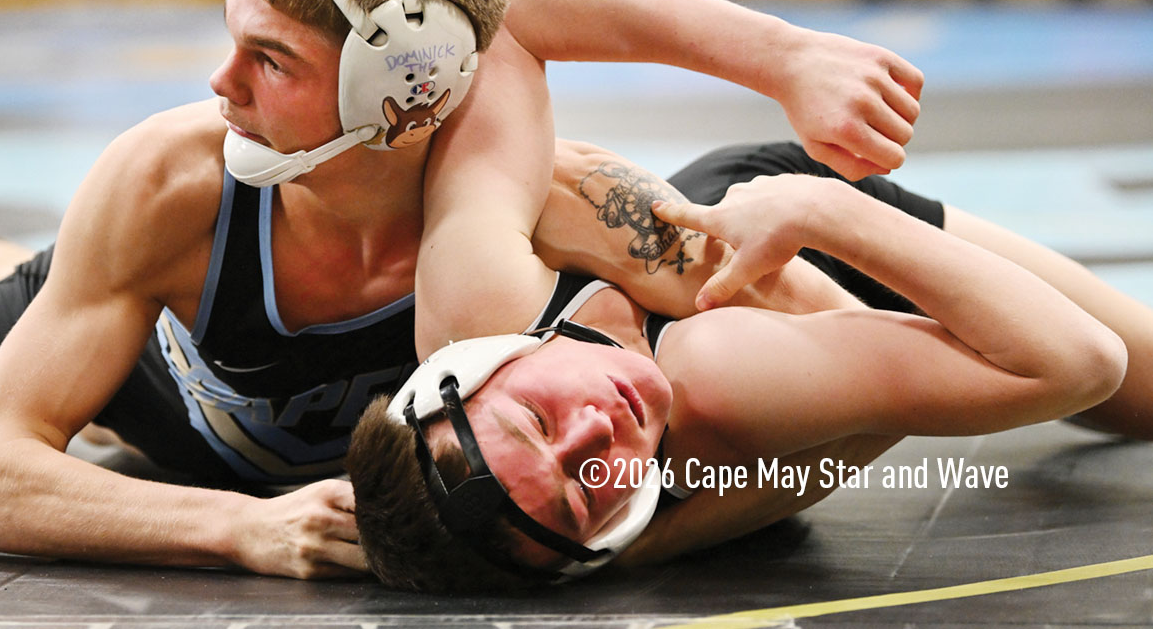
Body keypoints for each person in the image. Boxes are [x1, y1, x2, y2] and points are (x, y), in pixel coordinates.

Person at [0, 0, 923, 578]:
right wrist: (241, 528)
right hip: (156, 386)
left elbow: (874, 388)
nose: (219, 83)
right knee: (50, 348)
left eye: (271, 61)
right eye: (233, 41)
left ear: (389, 99)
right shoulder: (169, 180)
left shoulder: (540, 196)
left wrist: (642, 539)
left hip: (225, 402)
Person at [348, 138, 1145, 592]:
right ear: (610, 537)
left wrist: (775, 64)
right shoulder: (720, 386)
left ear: (482, 362)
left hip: (759, 215)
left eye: (536, 418)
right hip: (810, 278)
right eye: (586, 492)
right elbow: (1078, 363)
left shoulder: (471, 286)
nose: (597, 431)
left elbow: (505, 3)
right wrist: (825, 213)